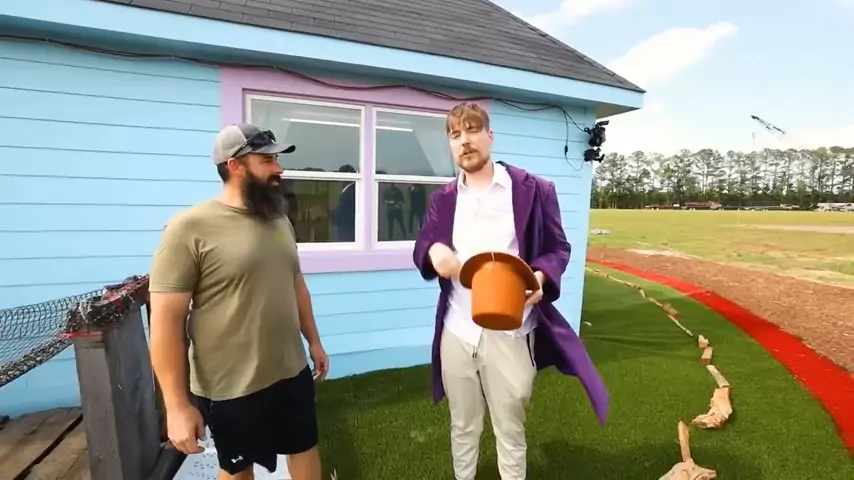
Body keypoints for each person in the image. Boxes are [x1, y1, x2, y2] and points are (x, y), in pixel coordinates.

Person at [412, 103, 609, 480]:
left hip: (512, 329)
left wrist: (540, 276)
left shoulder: (535, 190)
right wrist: (433, 250)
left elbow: (558, 248)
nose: (464, 141)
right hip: (457, 329)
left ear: (490, 136)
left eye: (472, 130)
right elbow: (424, 244)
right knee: (463, 425)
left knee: (510, 429)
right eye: (455, 135)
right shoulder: (443, 199)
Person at [148, 124, 329, 480]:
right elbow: (166, 321)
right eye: (267, 160)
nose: (279, 169)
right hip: (230, 386)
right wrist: (177, 405)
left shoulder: (279, 219)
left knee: (304, 448)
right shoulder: (188, 228)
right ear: (235, 166)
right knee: (237, 468)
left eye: (276, 160)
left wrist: (314, 341)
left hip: (290, 370)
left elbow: (296, 283)